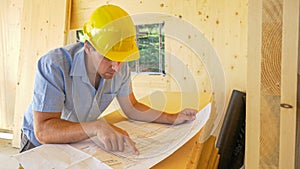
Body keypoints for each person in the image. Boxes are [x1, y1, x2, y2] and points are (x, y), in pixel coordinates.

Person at [20, 4, 197, 155]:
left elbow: (132, 107)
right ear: (88, 47)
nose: (116, 67)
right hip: (38, 145)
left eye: (121, 59)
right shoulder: (54, 65)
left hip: (76, 144)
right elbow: (44, 130)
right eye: (108, 58)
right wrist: (96, 127)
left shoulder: (119, 66)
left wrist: (172, 117)